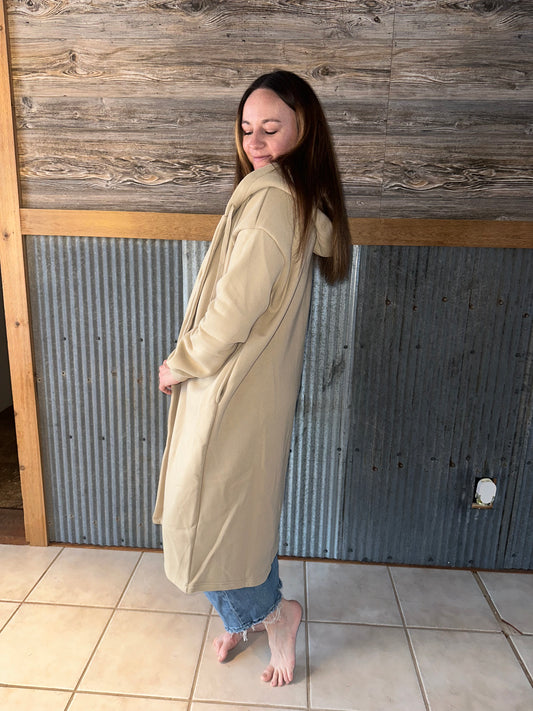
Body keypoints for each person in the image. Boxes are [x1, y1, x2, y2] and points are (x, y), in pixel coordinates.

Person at [154, 70, 351, 687]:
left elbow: (235, 308)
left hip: (230, 385)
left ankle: (273, 616)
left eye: (271, 128)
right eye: (246, 129)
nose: (256, 142)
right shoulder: (289, 195)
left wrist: (182, 361)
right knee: (234, 512)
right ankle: (247, 615)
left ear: (303, 130)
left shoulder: (270, 200)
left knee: (211, 514)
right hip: (244, 386)